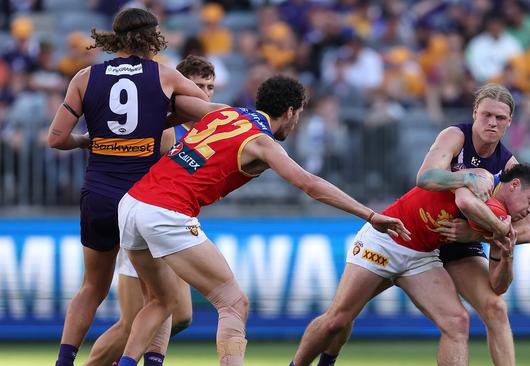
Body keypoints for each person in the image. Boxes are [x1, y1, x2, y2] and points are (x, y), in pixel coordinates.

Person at [113, 75, 410, 366]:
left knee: (159, 301)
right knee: (232, 302)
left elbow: (173, 104)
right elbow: (308, 183)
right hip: (166, 211)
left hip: (132, 204)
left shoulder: (224, 112)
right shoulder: (262, 143)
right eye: (299, 115)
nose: (297, 124)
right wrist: (370, 215)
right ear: (291, 112)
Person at [313, 83, 530, 366]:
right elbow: (426, 176)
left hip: (457, 242)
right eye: (487, 115)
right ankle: (326, 360)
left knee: (494, 308)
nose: (492, 122)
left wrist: (475, 232)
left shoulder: (508, 166)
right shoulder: (456, 136)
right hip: (415, 233)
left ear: (509, 122)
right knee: (341, 315)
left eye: (500, 118)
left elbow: (528, 229)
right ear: (475, 112)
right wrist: (467, 178)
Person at [47, 8, 207, 366]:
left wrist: (88, 141)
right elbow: (203, 109)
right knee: (163, 301)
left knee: (92, 288)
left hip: (99, 194)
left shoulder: (85, 77)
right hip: (143, 202)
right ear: (154, 38)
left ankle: (63, 361)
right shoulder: (164, 75)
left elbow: (55, 139)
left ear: (115, 38)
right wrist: (157, 122)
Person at [290, 164, 530, 366]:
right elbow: (464, 201)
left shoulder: (500, 218)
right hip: (386, 240)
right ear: (514, 184)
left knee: (457, 321)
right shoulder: (481, 178)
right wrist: (497, 231)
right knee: (338, 319)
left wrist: (506, 253)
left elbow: (498, 285)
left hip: (421, 256)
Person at [84, 55, 216, 366]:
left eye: (210, 87)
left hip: (171, 227)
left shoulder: (202, 131)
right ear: (180, 88)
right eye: (198, 86)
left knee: (179, 314)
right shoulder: (166, 128)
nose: (205, 94)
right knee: (136, 321)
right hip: (148, 227)